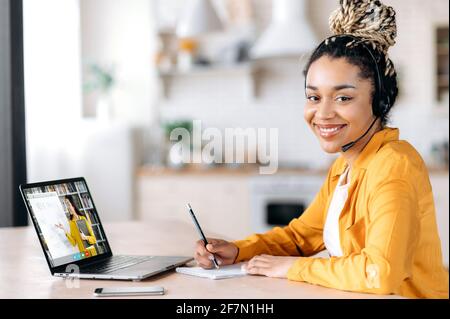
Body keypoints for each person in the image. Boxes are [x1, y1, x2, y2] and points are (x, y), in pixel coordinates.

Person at [193, 0, 448, 298]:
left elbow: (380, 273)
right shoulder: (345, 166)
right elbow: (302, 237)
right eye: (314, 97)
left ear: (380, 102)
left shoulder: (394, 165)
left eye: (343, 98)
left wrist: (291, 268)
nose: (323, 113)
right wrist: (238, 249)